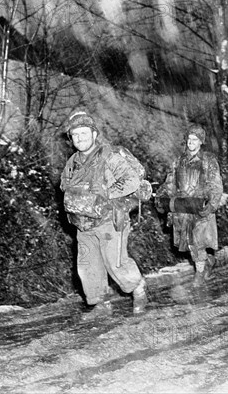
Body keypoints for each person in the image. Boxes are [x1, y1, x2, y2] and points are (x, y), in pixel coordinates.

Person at [60, 111, 147, 319]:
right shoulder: (73, 161)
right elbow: (64, 184)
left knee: (115, 263)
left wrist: (104, 193)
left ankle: (138, 288)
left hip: (110, 220)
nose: (80, 138)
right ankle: (101, 304)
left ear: (93, 133)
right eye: (75, 135)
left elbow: (131, 181)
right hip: (84, 222)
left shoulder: (109, 155)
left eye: (84, 133)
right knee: (88, 265)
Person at [156, 125, 223, 286]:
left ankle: (199, 274)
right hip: (182, 209)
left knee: (197, 241)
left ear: (201, 142)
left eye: (195, 139)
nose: (191, 142)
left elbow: (215, 184)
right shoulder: (178, 161)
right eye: (189, 139)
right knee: (189, 243)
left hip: (200, 207)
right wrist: (161, 197)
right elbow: (170, 183)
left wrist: (212, 204)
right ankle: (208, 260)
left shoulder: (208, 161)